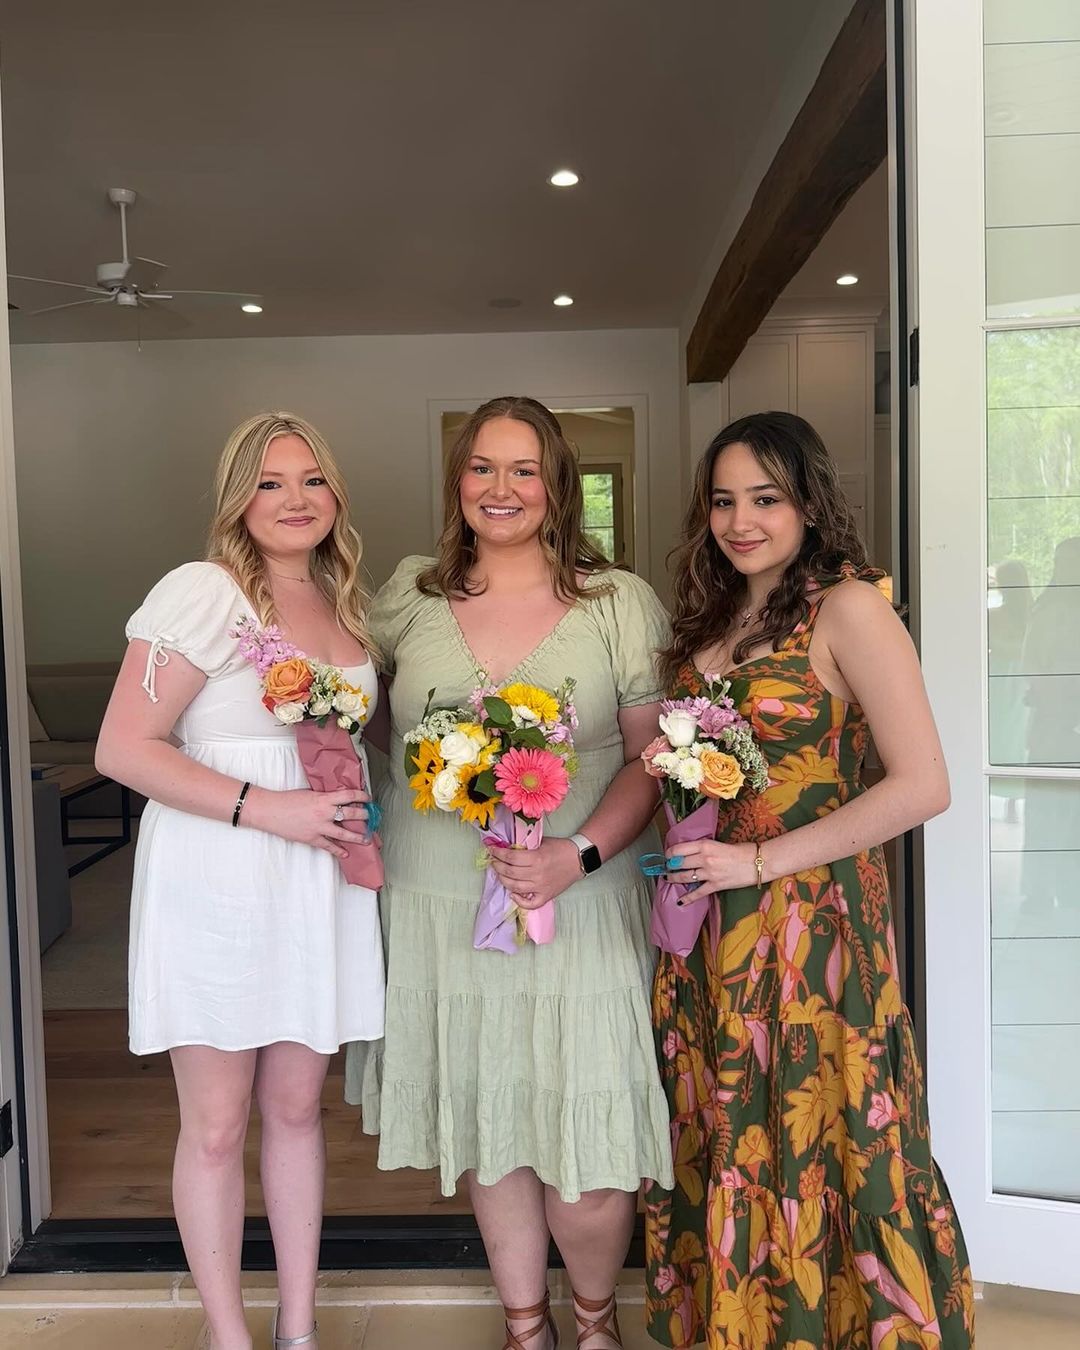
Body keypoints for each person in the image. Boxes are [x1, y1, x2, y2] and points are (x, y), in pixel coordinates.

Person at [347, 396, 674, 1349]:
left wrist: (575, 853)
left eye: (524, 469)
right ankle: (526, 1330)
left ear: (557, 484)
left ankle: (596, 1324)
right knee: (494, 1129)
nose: (502, 488)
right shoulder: (409, 595)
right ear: (458, 481)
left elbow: (651, 760)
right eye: (482, 467)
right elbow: (364, 719)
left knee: (592, 1149)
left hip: (583, 903)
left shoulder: (618, 602)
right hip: (442, 901)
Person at [644, 411, 974, 1348]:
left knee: (817, 1130)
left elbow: (924, 784)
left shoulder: (850, 607)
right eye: (723, 502)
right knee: (727, 1127)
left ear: (810, 505)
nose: (740, 521)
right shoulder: (714, 616)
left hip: (810, 927)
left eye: (766, 499)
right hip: (708, 926)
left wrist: (757, 861)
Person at [96, 411, 384, 1350]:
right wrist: (273, 810)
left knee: (298, 1112)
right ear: (236, 499)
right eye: (269, 482)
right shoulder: (203, 592)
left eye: (311, 479)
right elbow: (122, 748)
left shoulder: (346, 602)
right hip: (218, 876)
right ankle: (228, 1336)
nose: (294, 499)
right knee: (217, 1127)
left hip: (316, 884)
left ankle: (298, 1329)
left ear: (335, 493)